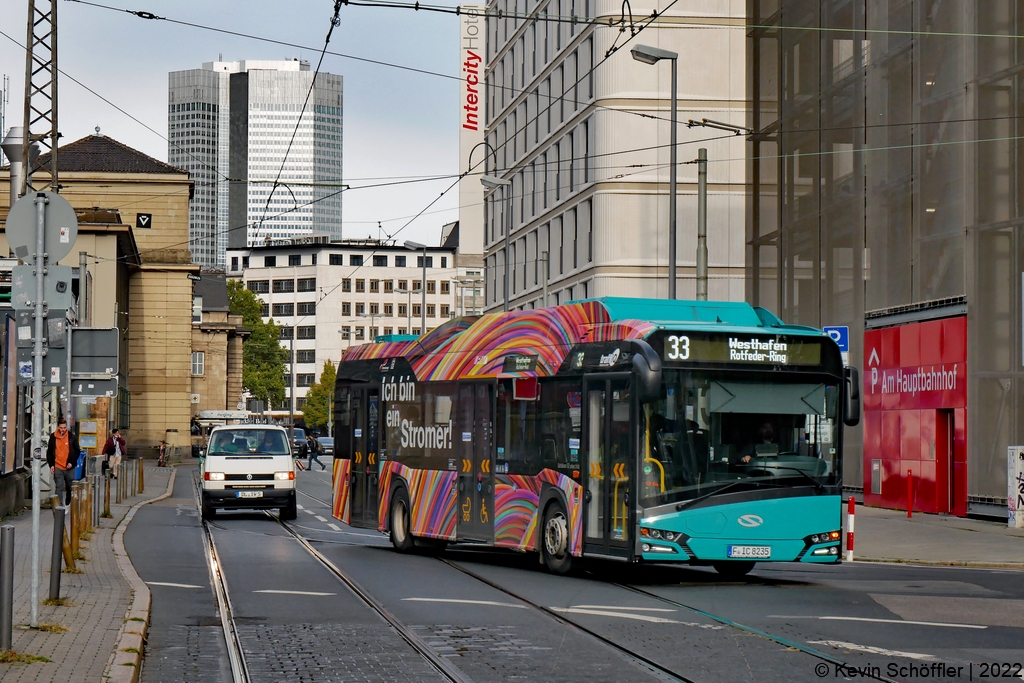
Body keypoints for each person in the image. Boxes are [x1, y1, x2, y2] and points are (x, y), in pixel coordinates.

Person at [46, 418, 81, 506]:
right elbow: (49, 452)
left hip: (69, 466)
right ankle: (59, 506)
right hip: (58, 466)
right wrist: (51, 465)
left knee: (70, 486)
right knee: (59, 486)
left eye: (64, 428)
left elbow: (77, 451)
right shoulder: (53, 437)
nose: (63, 430)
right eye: (61, 428)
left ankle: (68, 500)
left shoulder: (72, 437)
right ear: (58, 427)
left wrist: (71, 462)